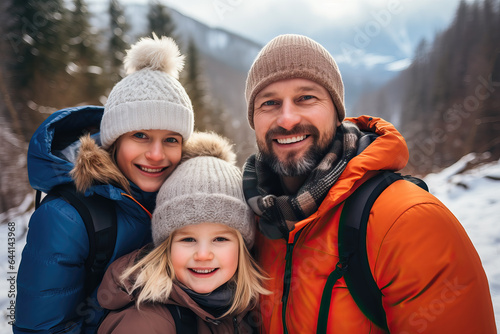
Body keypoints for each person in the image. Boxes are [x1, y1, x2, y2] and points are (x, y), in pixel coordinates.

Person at [242, 34, 497, 333]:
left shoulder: (409, 222)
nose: (286, 119)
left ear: (337, 113)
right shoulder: (250, 223)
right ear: (254, 120)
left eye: (306, 98)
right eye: (269, 103)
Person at [14, 35, 194, 333]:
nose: (156, 155)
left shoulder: (188, 198)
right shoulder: (67, 217)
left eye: (171, 139)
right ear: (114, 140)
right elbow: (42, 327)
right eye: (140, 136)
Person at [96, 132, 268, 333]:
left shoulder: (241, 311)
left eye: (220, 238)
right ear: (166, 247)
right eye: (188, 239)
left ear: (242, 246)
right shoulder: (146, 323)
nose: (203, 255)